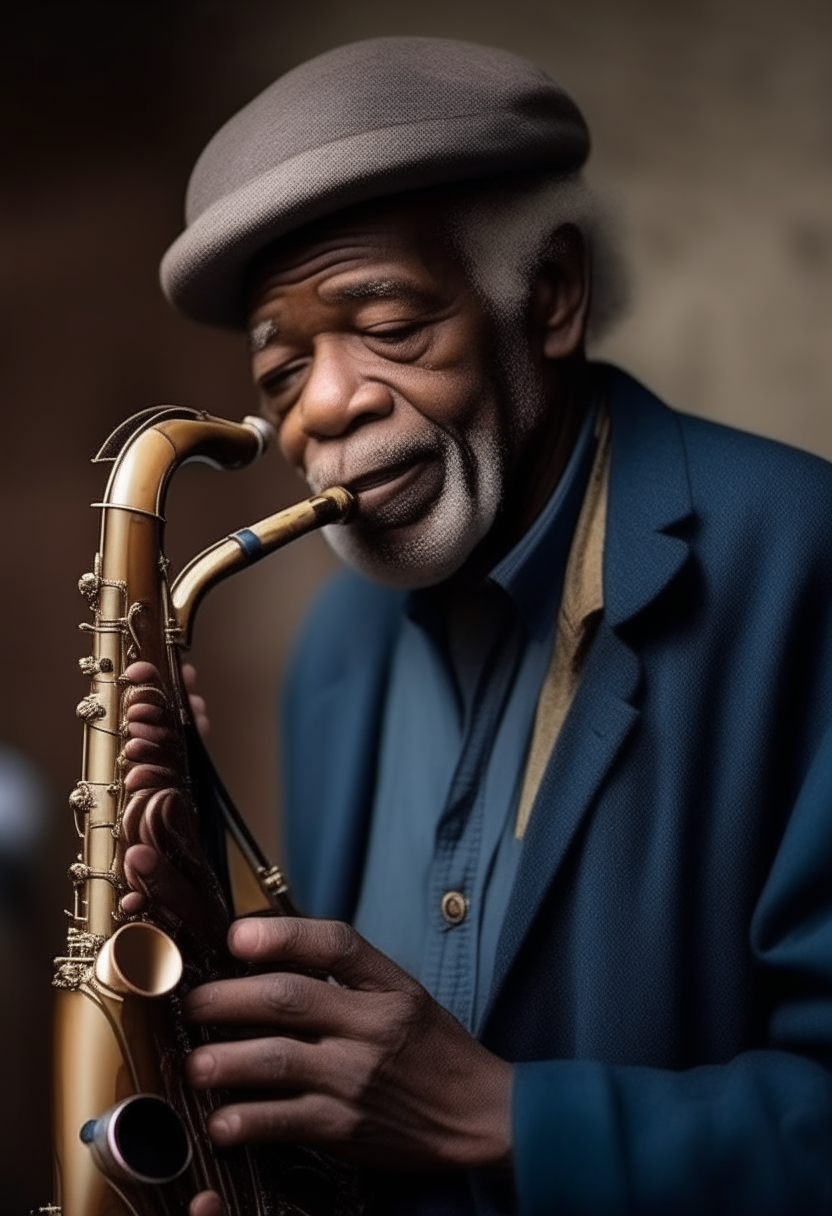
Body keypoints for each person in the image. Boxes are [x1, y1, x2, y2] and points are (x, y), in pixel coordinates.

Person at [121, 37, 832, 1215]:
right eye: (283, 371)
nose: (328, 408)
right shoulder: (334, 648)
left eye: (387, 325)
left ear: (548, 295)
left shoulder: (804, 555)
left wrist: (504, 1117)